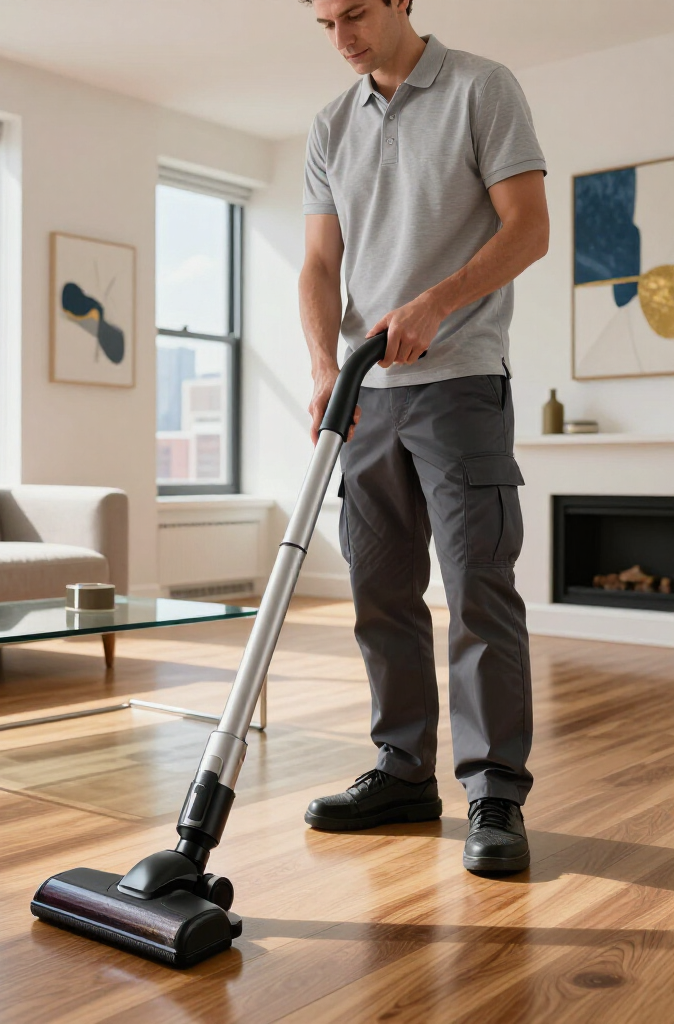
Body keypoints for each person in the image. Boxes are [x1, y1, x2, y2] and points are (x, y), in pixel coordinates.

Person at [297, 0, 549, 873]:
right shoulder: (331, 124)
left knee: (478, 587)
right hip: (368, 394)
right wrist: (326, 368)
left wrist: (437, 303)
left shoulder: (483, 88)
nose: (342, 38)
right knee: (379, 591)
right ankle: (403, 770)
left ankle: (494, 793)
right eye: (324, 22)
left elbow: (529, 228)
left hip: (460, 384)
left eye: (356, 13)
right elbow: (321, 265)